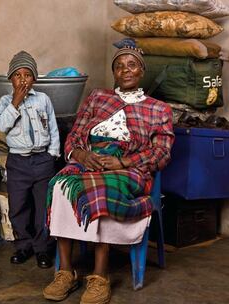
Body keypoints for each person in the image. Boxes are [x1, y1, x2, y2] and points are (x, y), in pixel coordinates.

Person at [42, 47, 174, 303]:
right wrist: (81, 156)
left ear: (142, 70)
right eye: (119, 66)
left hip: (129, 166)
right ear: (113, 71)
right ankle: (66, 272)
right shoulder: (98, 97)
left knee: (103, 190)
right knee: (59, 184)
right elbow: (76, 135)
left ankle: (99, 276)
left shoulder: (159, 110)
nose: (125, 70)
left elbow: (162, 153)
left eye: (132, 65)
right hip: (91, 157)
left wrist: (122, 162)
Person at [0, 50, 60, 269]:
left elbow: (52, 127)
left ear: (35, 78)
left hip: (42, 161)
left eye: (27, 75)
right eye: (18, 75)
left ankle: (43, 248)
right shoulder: (5, 101)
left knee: (43, 207)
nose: (23, 79)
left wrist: (52, 154)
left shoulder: (43, 99)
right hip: (18, 163)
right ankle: (23, 246)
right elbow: (2, 126)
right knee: (18, 206)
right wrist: (16, 101)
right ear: (10, 78)